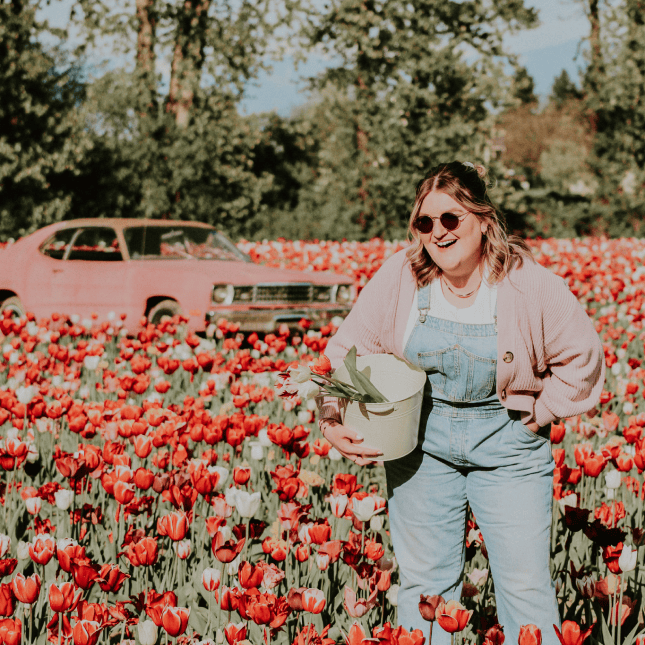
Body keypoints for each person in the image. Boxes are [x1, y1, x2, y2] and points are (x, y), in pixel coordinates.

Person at [317, 162, 605, 645]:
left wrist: (541, 413)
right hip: (421, 445)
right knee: (425, 589)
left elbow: (584, 356)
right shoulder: (402, 277)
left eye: (451, 219)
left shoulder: (528, 284)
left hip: (508, 445)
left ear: (484, 219)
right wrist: (330, 417)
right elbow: (348, 352)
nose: (437, 233)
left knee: (526, 589)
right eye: (425, 223)